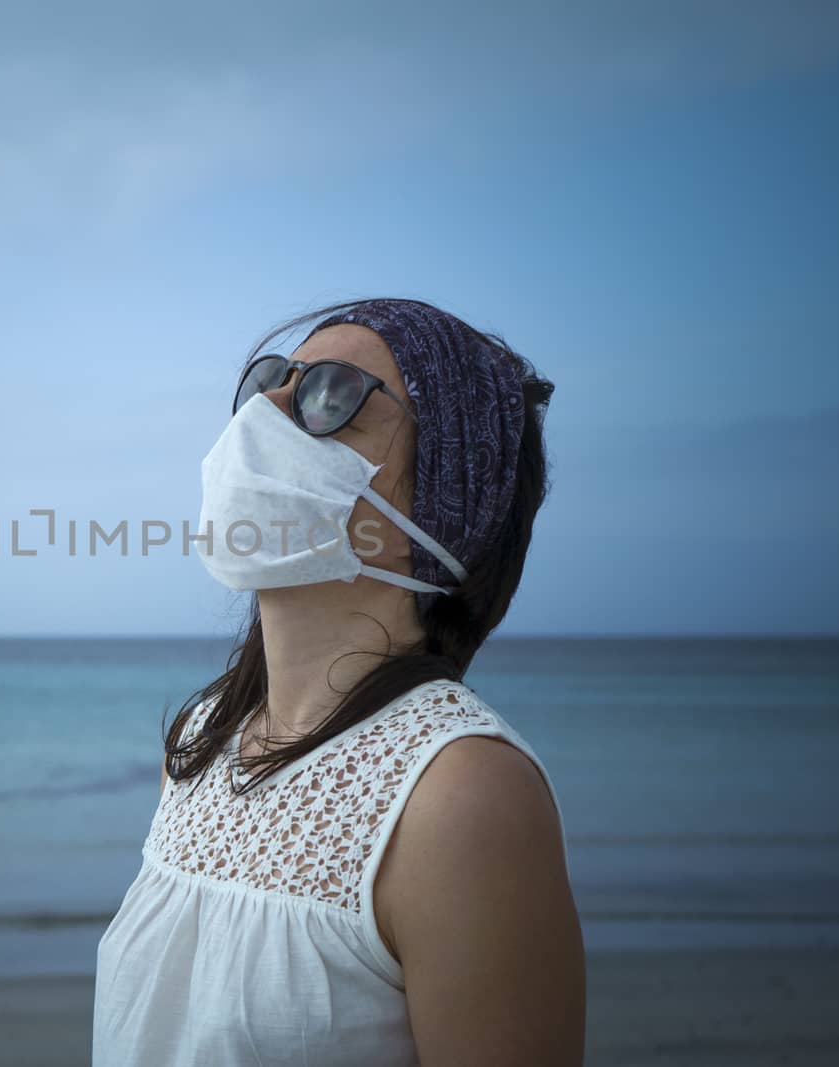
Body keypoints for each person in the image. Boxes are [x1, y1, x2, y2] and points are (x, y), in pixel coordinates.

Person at [93, 297, 585, 1065]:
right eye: (269, 382)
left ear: (446, 494)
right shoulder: (198, 740)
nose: (268, 412)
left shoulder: (462, 796)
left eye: (331, 393)